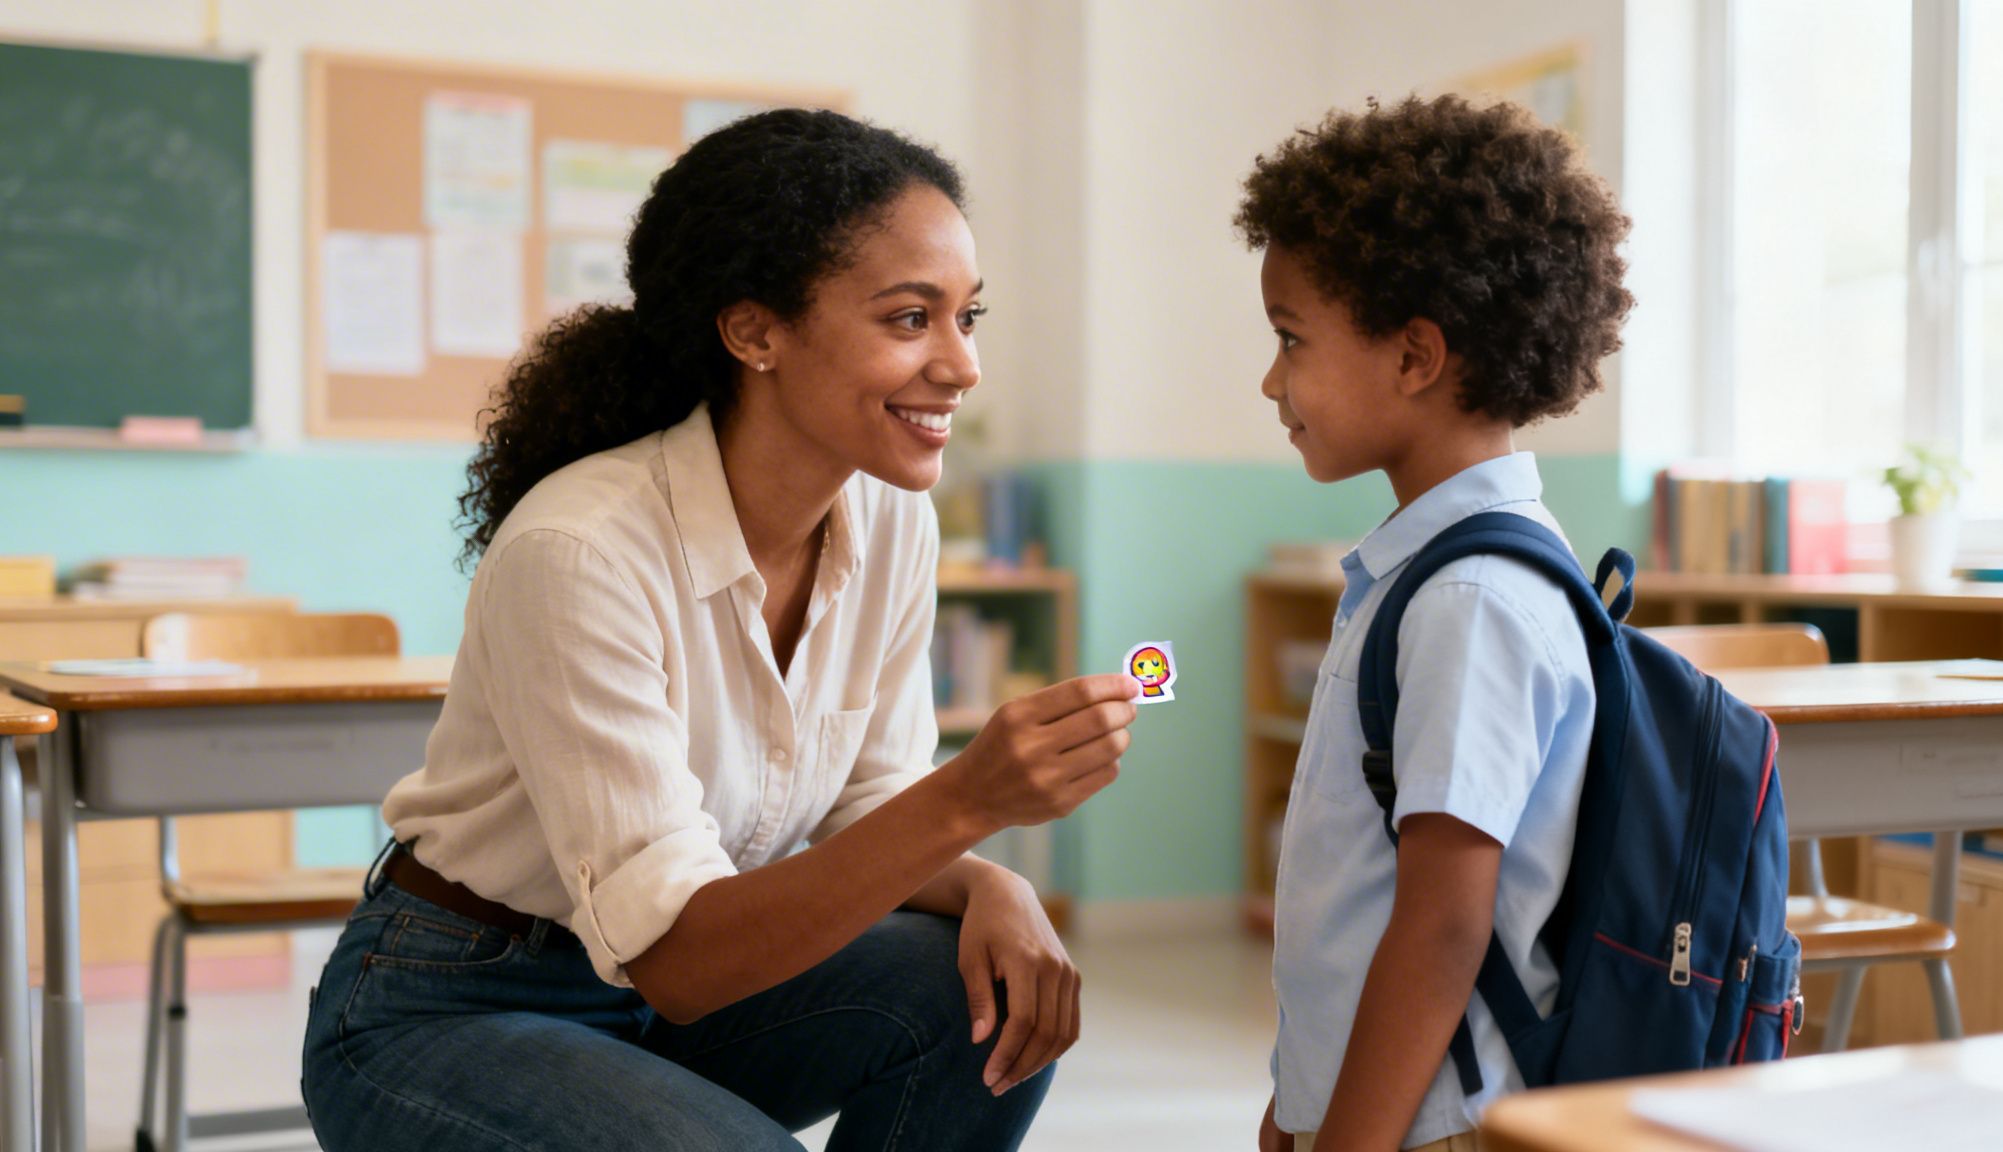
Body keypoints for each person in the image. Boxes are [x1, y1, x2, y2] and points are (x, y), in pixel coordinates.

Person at [302, 108, 1140, 1152]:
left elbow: (863, 809)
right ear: (754, 333)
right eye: (908, 319)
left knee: (974, 991)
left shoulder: (891, 519)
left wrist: (991, 880)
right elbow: (683, 959)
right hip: (456, 1004)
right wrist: (971, 799)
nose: (961, 366)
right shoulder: (579, 549)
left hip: (668, 1005)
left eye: (969, 317)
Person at [1234, 95, 1634, 1152]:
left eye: (1289, 340)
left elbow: (1441, 923)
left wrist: (1346, 1140)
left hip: (1434, 1126)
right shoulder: (1428, 574)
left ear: (1413, 357)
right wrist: (1298, 1101)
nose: (1270, 380)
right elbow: (1361, 891)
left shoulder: (1470, 602)